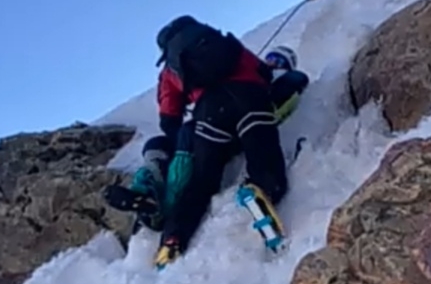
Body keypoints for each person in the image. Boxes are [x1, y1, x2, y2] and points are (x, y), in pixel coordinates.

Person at [105, 17, 309, 267]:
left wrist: (187, 141)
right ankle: (262, 189)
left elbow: (169, 118)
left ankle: (173, 240)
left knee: (200, 182)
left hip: (209, 112)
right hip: (250, 99)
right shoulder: (221, 41)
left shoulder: (171, 68)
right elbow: (265, 76)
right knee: (262, 153)